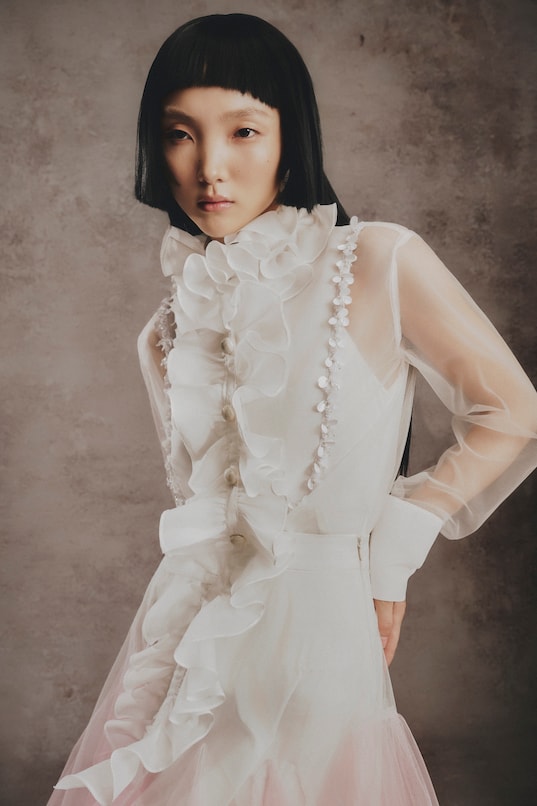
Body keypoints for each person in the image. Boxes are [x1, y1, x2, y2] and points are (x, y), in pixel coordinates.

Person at [49, 13, 537, 805]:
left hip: (320, 644)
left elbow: (511, 412)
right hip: (189, 651)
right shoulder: (166, 330)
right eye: (179, 134)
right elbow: (204, 521)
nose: (210, 166)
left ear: (291, 139)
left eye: (243, 131)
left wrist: (393, 549)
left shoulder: (376, 260)